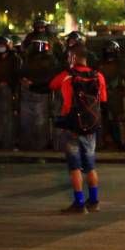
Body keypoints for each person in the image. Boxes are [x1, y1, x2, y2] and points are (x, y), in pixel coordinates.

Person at [49, 43, 107, 214]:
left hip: (72, 125)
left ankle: (79, 202)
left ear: (73, 58)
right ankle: (94, 201)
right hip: (91, 126)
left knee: (75, 167)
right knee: (90, 165)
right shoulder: (99, 76)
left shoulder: (67, 75)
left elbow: (52, 85)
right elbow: (103, 100)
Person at [19, 39, 58, 150]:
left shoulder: (50, 60)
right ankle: (29, 145)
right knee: (28, 121)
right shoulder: (29, 59)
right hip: (29, 92)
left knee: (40, 121)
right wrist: (24, 80)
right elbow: (22, 72)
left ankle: (40, 145)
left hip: (41, 93)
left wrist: (34, 84)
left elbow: (50, 77)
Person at [97, 40, 125, 150]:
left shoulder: (120, 63)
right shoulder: (100, 64)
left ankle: (121, 142)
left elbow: (121, 77)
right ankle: (102, 142)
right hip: (103, 94)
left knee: (118, 118)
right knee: (103, 119)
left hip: (115, 94)